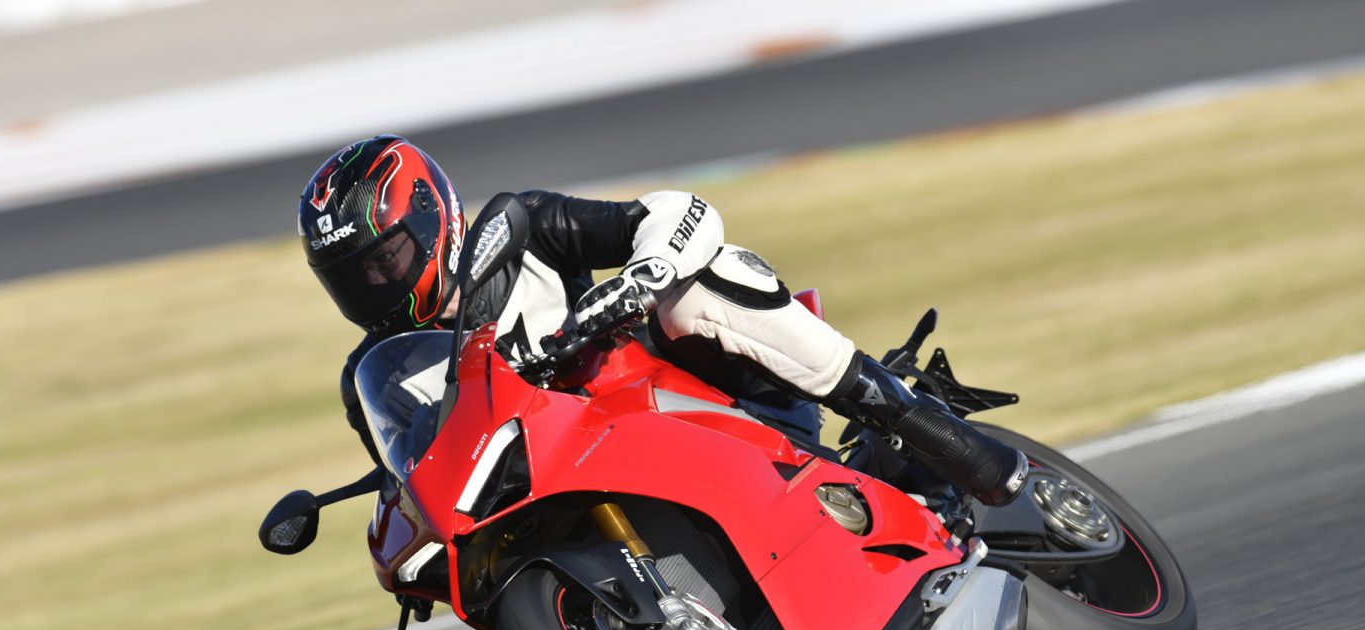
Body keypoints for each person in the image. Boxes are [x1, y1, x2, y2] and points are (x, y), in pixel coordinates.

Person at [297, 135, 1026, 505]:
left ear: (434, 217)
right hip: (576, 482)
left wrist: (637, 282)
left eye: (384, 258)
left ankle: (920, 426)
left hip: (692, 400)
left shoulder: (522, 228)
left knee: (696, 287)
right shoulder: (376, 376)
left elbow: (680, 213)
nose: (374, 283)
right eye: (351, 277)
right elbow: (412, 482)